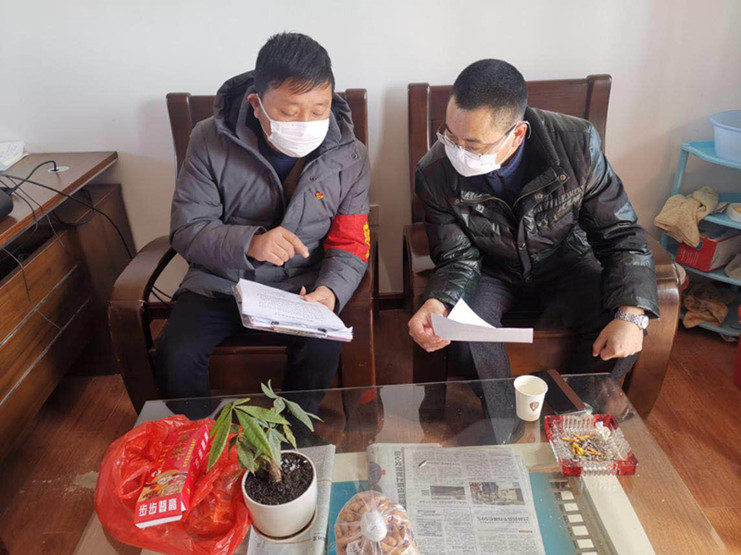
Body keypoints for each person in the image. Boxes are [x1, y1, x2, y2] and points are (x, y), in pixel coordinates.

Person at [408, 59, 659, 380]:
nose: (457, 152)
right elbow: (457, 257)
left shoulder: (578, 144)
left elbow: (619, 232)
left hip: (566, 261)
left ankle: (570, 406)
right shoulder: (434, 172)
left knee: (622, 325)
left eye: (473, 145)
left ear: (517, 134)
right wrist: (439, 301)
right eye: (450, 135)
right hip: (490, 270)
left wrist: (632, 314)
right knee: (465, 336)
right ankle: (503, 412)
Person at [156, 33, 371, 403]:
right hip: (220, 283)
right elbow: (187, 229)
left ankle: (296, 432)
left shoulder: (350, 157)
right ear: (256, 104)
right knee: (176, 354)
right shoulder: (208, 139)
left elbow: (351, 241)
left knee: (322, 348)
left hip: (301, 287)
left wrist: (330, 291)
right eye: (289, 112)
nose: (306, 122)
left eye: (318, 110)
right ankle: (198, 434)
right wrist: (252, 243)